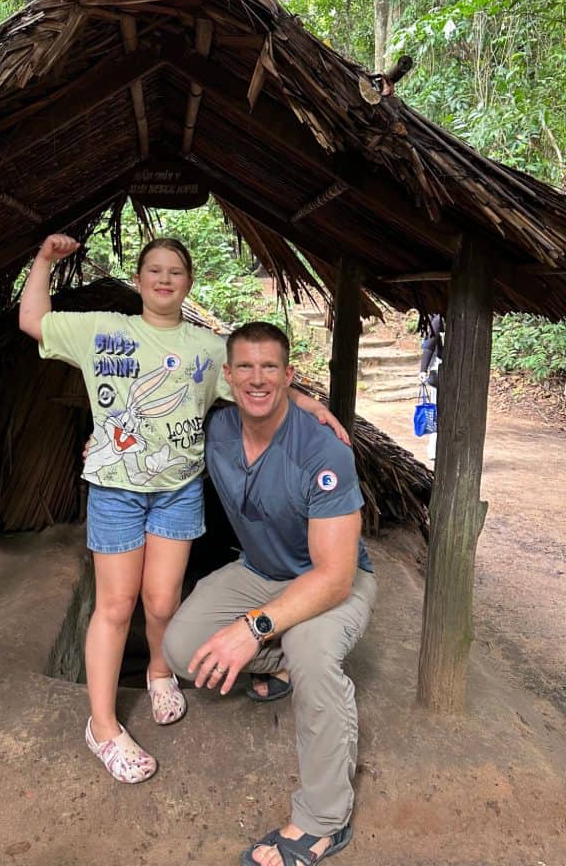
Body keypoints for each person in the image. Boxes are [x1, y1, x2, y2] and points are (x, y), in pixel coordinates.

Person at [19, 235, 347, 785]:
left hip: (177, 490)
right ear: (139, 278)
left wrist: (311, 405)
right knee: (116, 605)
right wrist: (46, 260)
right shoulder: (104, 329)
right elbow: (34, 319)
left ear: (188, 282)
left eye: (175, 271)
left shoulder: (207, 347)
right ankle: (102, 726)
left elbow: (255, 384)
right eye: (154, 269)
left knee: (164, 600)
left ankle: (159, 671)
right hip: (116, 492)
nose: (165, 278)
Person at [162, 321, 376, 865]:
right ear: (228, 377)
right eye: (246, 368)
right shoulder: (217, 430)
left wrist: (251, 628)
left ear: (289, 375)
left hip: (332, 580)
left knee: (311, 651)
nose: (258, 380)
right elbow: (152, 422)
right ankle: (279, 668)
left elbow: (333, 578)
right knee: (182, 647)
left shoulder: (322, 452)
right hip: (260, 571)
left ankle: (324, 820)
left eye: (271, 368)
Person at [419, 313, 444, 461]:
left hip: (456, 371)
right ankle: (434, 448)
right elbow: (429, 347)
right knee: (437, 411)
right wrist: (423, 369)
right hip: (440, 370)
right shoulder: (439, 320)